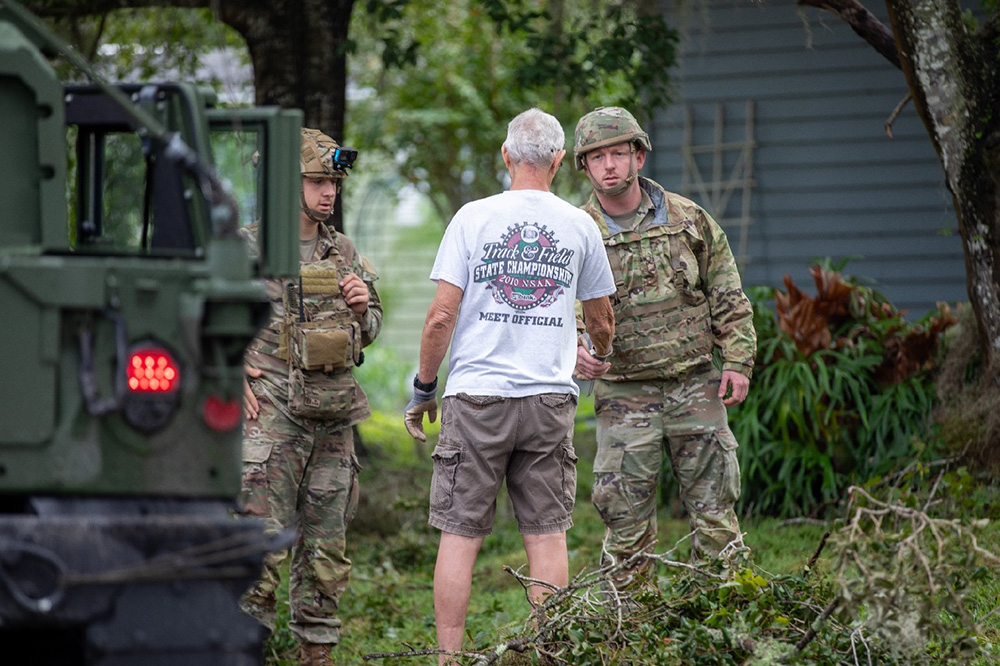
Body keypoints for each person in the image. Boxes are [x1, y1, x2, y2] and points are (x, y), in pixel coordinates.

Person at [403, 107, 616, 664]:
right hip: (549, 401)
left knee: (460, 534)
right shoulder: (579, 225)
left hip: (477, 401)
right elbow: (602, 318)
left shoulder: (472, 219)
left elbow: (440, 318)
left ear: (505, 156)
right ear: (559, 160)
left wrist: (424, 387)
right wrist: (595, 355)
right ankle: (549, 654)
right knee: (546, 535)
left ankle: (449, 659)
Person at [572, 106, 756, 587]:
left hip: (695, 385)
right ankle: (631, 633)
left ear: (639, 157)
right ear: (585, 166)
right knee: (626, 524)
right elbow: (555, 306)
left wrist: (737, 360)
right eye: (597, 157)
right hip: (623, 394)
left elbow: (727, 292)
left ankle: (725, 618)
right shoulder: (574, 231)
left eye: (618, 153)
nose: (609, 165)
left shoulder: (689, 219)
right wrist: (571, 345)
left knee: (717, 513)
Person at [237, 128, 382, 666]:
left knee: (326, 553)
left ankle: (315, 657)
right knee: (258, 549)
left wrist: (364, 307)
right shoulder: (247, 247)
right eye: (319, 181)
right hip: (272, 417)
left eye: (335, 184)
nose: (329, 193)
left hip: (333, 419)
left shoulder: (341, 250)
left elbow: (371, 328)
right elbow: (194, 314)